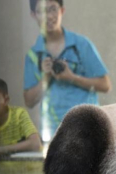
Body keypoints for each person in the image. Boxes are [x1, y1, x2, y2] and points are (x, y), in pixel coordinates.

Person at [24, 0, 111, 142]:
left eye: (52, 9)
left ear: (62, 10)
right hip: (52, 134)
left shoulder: (81, 45)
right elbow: (29, 101)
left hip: (86, 129)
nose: (48, 16)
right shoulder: (33, 55)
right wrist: (46, 78)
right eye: (42, 11)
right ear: (33, 15)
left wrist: (71, 77)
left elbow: (105, 85)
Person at [0, 78, 42, 155]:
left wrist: (3, 149)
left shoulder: (18, 115)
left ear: (6, 100)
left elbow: (35, 144)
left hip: (27, 166)